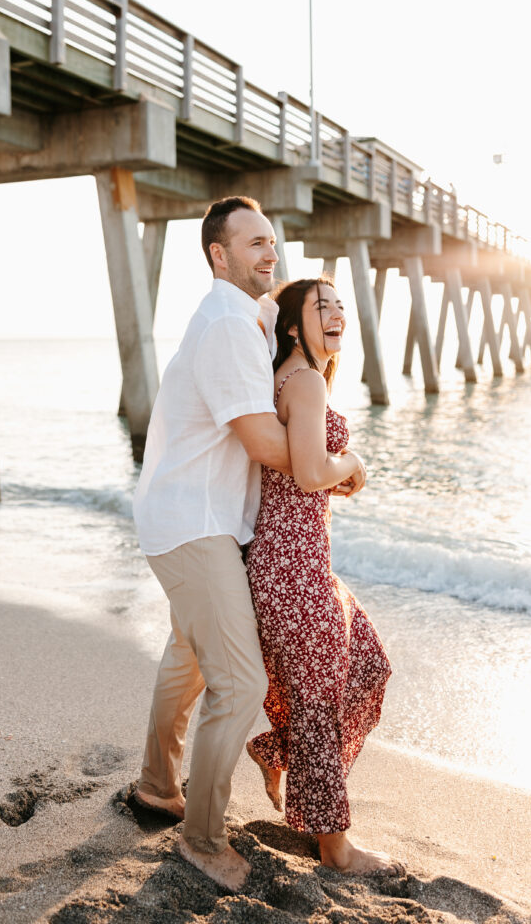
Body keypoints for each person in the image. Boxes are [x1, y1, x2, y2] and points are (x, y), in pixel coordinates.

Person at [131, 197, 354, 891]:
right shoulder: (228, 323)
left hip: (193, 518)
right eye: (252, 243)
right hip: (196, 524)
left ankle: (154, 787)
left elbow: (290, 336)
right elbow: (264, 442)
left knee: (189, 661)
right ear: (216, 255)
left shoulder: (246, 316)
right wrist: (337, 466)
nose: (268, 253)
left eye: (272, 243)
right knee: (242, 681)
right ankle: (199, 839)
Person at [245, 277, 403, 877]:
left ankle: (275, 750)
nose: (337, 313)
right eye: (321, 306)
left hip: (299, 560)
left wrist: (331, 472)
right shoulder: (306, 379)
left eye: (340, 305)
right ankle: (336, 848)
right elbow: (311, 471)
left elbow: (299, 467)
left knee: (364, 665)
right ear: (292, 326)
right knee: (320, 698)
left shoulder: (290, 378)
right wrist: (353, 465)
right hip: (295, 565)